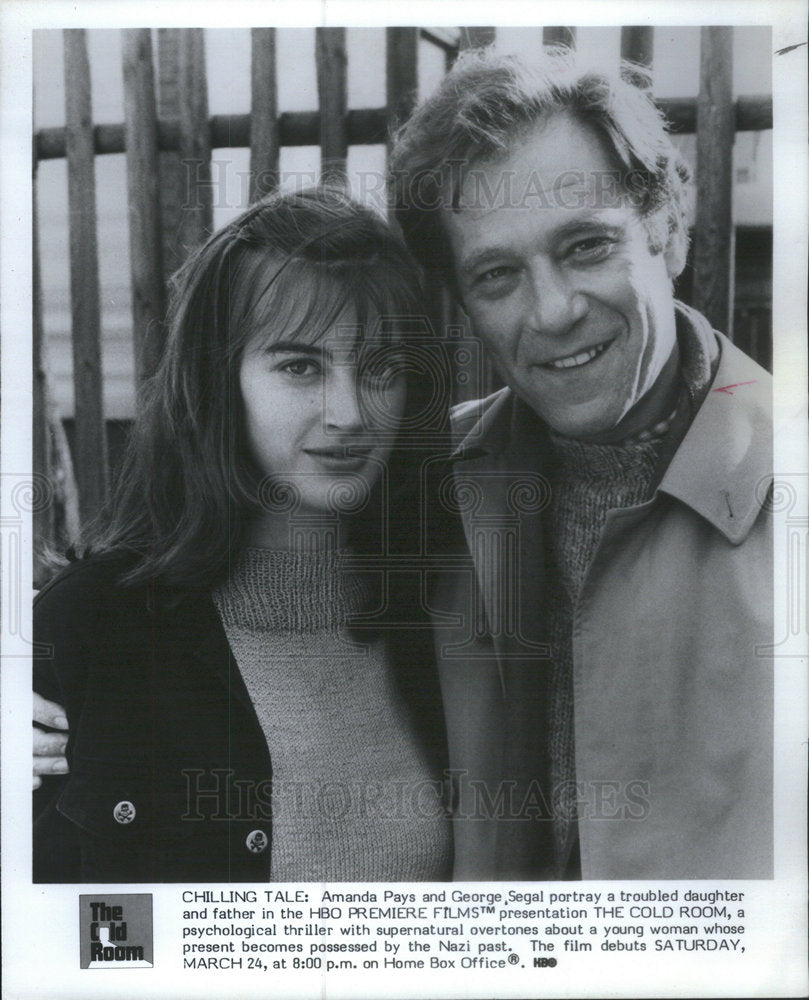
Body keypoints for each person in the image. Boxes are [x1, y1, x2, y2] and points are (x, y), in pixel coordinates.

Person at [389, 48, 773, 880]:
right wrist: (57, 707)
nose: (553, 310)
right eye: (497, 275)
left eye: (585, 246)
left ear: (667, 225)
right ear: (462, 302)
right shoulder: (420, 487)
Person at [32, 187, 457, 883]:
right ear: (217, 380)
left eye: (381, 367)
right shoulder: (88, 630)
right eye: (299, 366)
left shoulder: (444, 612)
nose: (348, 412)